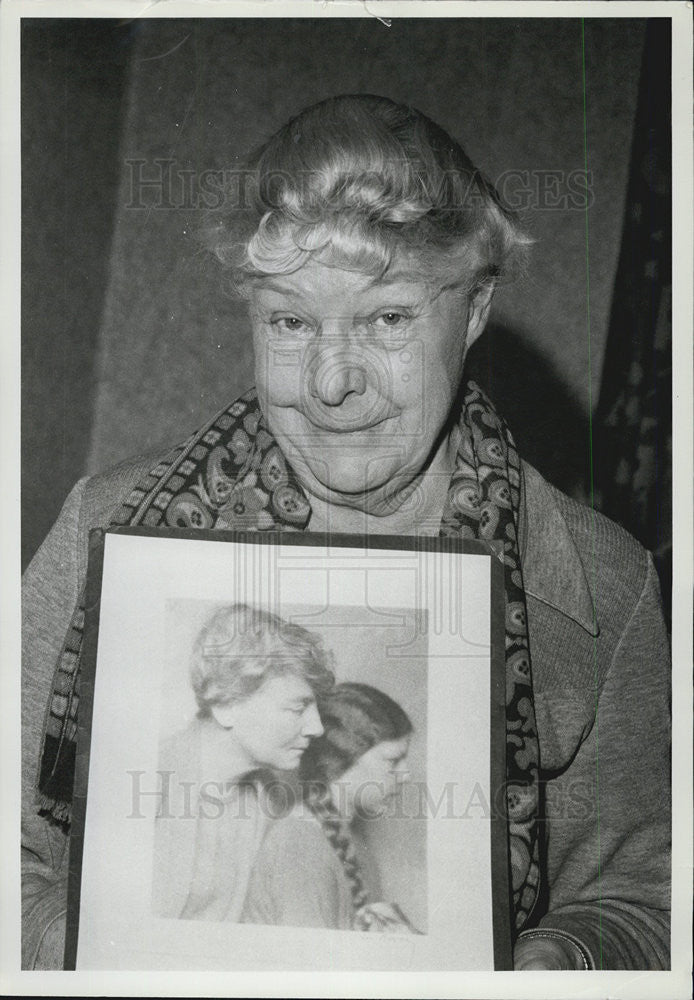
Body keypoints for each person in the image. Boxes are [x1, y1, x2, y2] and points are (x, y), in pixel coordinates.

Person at [21, 94, 671, 970]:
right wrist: (86, 950)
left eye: (387, 319)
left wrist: (553, 963)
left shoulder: (603, 583)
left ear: (474, 311)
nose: (331, 382)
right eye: (291, 322)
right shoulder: (103, 526)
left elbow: (649, 899)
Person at [151, 603, 334, 921]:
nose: (317, 727)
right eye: (296, 708)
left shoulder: (266, 795)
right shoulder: (152, 778)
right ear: (227, 705)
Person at [242, 682, 420, 933]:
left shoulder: (353, 842)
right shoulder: (298, 845)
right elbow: (310, 968)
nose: (405, 775)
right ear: (341, 761)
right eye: (392, 761)